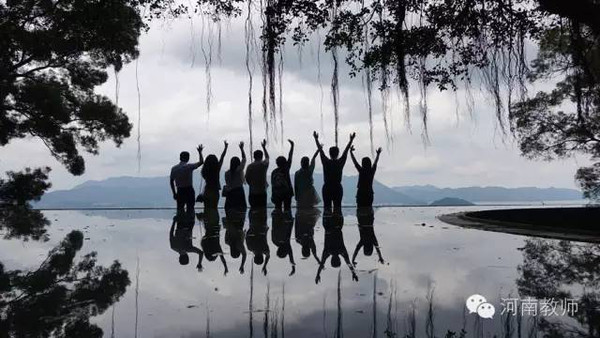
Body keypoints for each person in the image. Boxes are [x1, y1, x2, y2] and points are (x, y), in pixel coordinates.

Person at [313, 131, 356, 213]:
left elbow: (320, 150)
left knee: (327, 209)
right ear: (338, 153)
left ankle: (329, 224)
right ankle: (337, 223)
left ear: (329, 153)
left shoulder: (326, 162)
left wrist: (316, 139)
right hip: (337, 188)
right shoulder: (340, 163)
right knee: (337, 209)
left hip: (327, 188)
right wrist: (351, 140)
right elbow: (346, 151)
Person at [315, 212, 358, 284]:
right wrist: (318, 275)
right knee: (327, 205)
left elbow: (349, 263)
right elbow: (321, 264)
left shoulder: (342, 251)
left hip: (338, 224)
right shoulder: (327, 252)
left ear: (339, 260)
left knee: (337, 205)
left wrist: (354, 273)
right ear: (331, 260)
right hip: (327, 224)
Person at [170, 145, 203, 213]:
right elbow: (201, 162)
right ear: (188, 158)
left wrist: (174, 193)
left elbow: (171, 181)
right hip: (189, 190)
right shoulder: (189, 167)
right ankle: (189, 222)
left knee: (180, 210)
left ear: (180, 158)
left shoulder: (174, 168)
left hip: (180, 191)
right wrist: (200, 152)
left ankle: (181, 222)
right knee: (190, 210)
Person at [198, 208, 228, 275]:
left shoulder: (217, 248)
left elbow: (222, 258)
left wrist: (225, 267)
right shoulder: (206, 245)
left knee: (214, 208)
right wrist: (199, 263)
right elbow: (203, 241)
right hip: (208, 226)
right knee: (208, 209)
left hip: (216, 227)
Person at [201, 141, 228, 208]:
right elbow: (222, 157)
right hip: (215, 191)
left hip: (207, 190)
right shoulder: (217, 169)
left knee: (207, 209)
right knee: (214, 208)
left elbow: (203, 163)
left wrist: (200, 152)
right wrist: (225, 147)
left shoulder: (205, 170)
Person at [245, 139, 269, 208]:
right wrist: (264, 147)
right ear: (261, 156)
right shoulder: (264, 165)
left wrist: (252, 184)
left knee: (253, 210)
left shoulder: (250, 166)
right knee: (262, 211)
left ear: (254, 157)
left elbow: (247, 178)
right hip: (262, 191)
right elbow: (267, 157)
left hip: (252, 192)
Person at [271, 139, 294, 211]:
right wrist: (292, 146)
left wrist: (273, 195)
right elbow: (290, 156)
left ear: (277, 163)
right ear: (285, 162)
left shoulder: (274, 172)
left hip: (277, 194)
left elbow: (273, 184)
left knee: (278, 209)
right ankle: (288, 221)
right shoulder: (286, 169)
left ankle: (278, 221)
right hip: (287, 193)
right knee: (287, 209)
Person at [271, 209, 296, 276]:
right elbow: (273, 228)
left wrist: (293, 268)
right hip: (276, 215)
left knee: (287, 204)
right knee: (278, 203)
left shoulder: (286, 244)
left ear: (285, 250)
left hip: (286, 218)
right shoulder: (274, 241)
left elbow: (291, 257)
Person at [246, 207, 270, 275]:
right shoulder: (250, 248)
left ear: (262, 256)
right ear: (254, 257)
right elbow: (247, 236)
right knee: (253, 206)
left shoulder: (265, 250)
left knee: (262, 206)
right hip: (253, 224)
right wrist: (251, 229)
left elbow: (268, 256)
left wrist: (265, 266)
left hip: (263, 225)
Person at [223, 208, 247, 274]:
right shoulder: (227, 241)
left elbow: (244, 255)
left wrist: (242, 265)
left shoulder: (239, 244)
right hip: (230, 217)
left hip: (240, 219)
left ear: (238, 251)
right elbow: (227, 230)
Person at [224, 142, 247, 210]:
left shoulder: (227, 173)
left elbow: (227, 183)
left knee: (230, 210)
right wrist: (242, 149)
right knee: (240, 210)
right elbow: (244, 159)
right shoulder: (239, 170)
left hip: (230, 193)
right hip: (239, 191)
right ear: (238, 163)